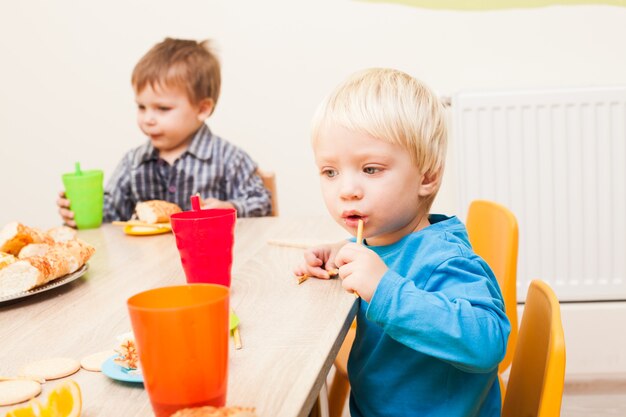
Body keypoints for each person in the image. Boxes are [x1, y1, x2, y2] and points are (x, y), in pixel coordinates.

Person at [294, 68, 510, 416]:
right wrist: (337, 253)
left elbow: (488, 343)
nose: (347, 190)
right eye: (330, 172)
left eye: (371, 169)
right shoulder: (381, 238)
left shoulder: (444, 258)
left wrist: (383, 289)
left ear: (427, 176)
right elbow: (386, 256)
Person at [58, 38, 271, 226]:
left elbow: (262, 203)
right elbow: (112, 214)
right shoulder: (133, 162)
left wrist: (230, 208)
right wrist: (79, 211)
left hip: (209, 262)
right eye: (141, 107)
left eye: (162, 109)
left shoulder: (228, 159)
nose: (147, 119)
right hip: (148, 265)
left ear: (202, 109)